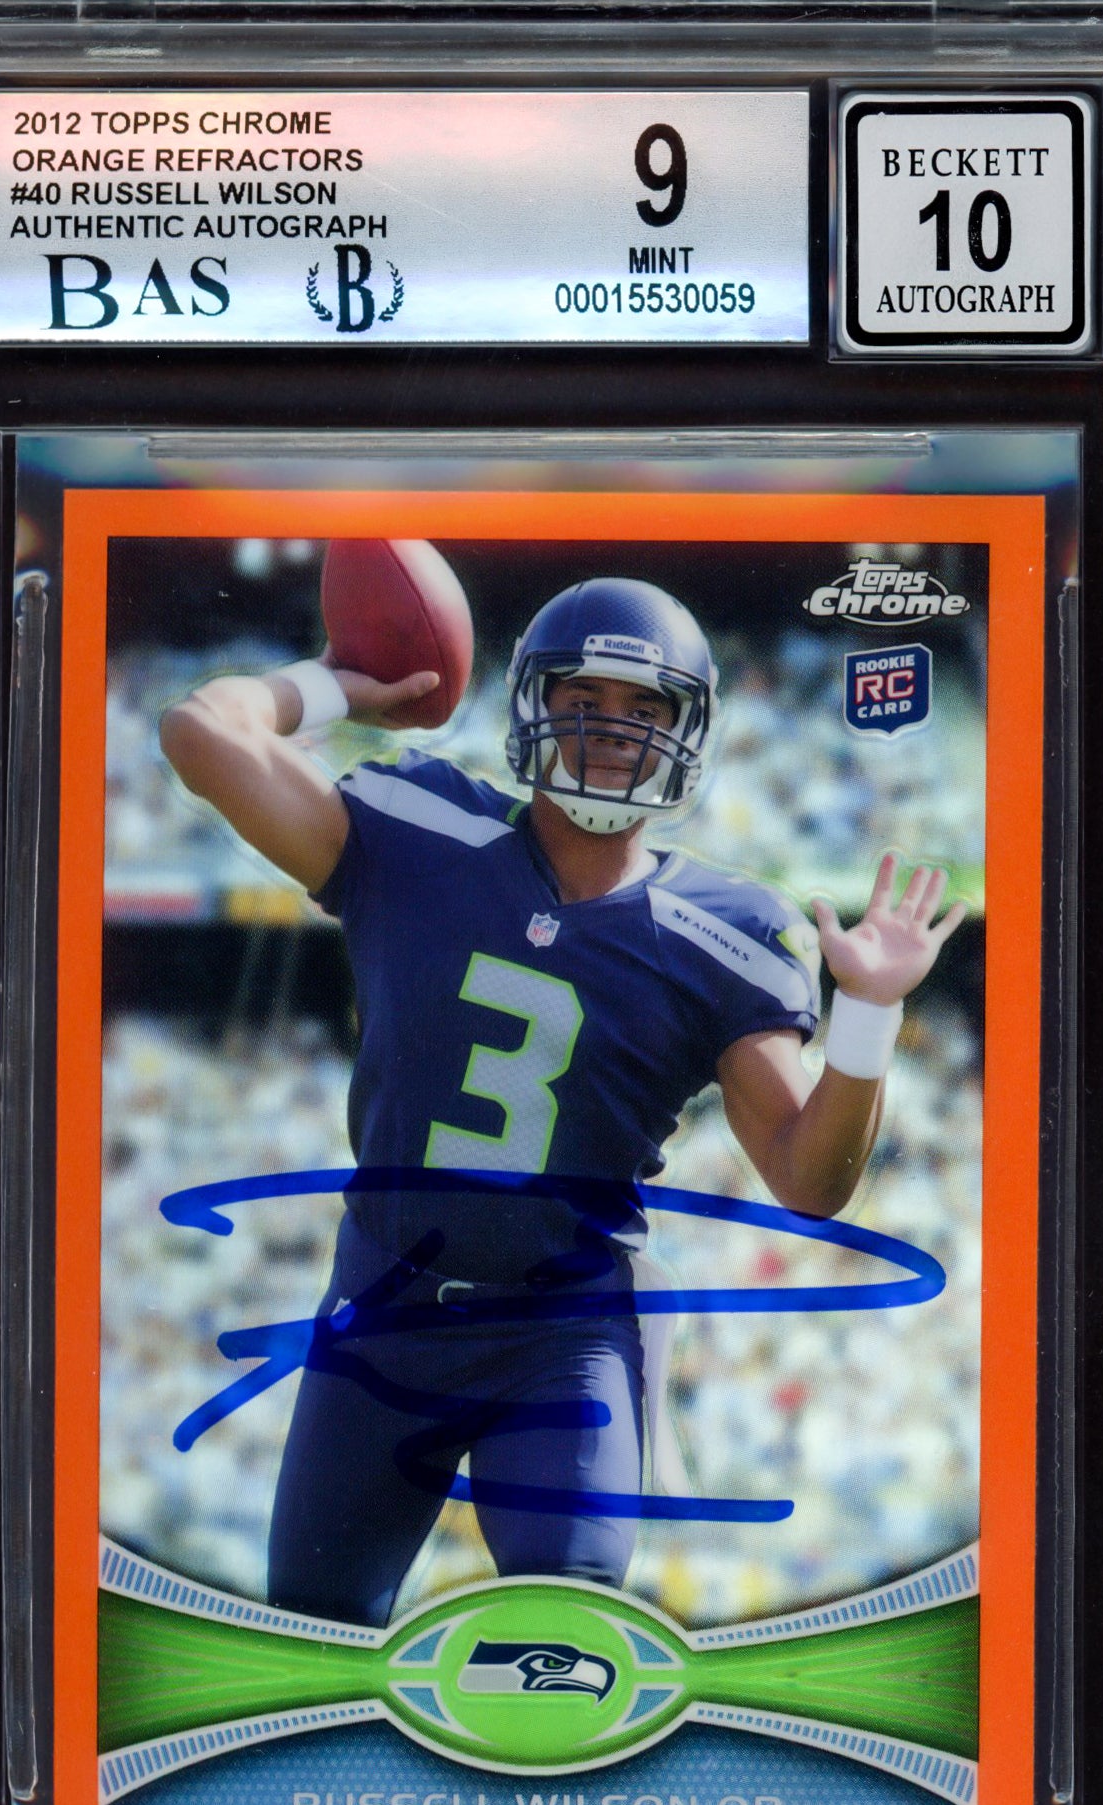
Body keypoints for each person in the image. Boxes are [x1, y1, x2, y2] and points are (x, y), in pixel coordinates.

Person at [160, 576, 963, 1625]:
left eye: (646, 706)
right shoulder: (419, 826)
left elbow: (811, 1182)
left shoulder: (727, 931)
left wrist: (868, 1018)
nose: (614, 728)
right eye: (585, 697)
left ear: (690, 730)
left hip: (563, 1336)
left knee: (569, 1635)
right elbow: (200, 733)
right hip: (383, 1312)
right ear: (534, 704)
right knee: (311, 1631)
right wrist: (340, 684)